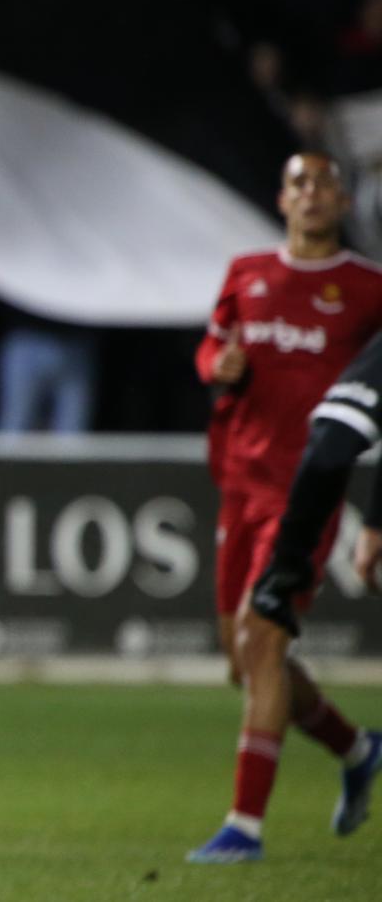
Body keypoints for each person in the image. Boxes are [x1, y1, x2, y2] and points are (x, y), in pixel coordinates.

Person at [187, 152, 382, 862]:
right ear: (282, 197)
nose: (313, 194)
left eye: (326, 184)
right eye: (301, 182)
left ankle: (245, 826)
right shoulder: (246, 273)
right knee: (245, 660)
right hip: (239, 483)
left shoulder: (367, 288)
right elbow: (213, 348)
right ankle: (357, 748)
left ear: (341, 200)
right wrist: (219, 366)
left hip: (304, 495)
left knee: (263, 643)